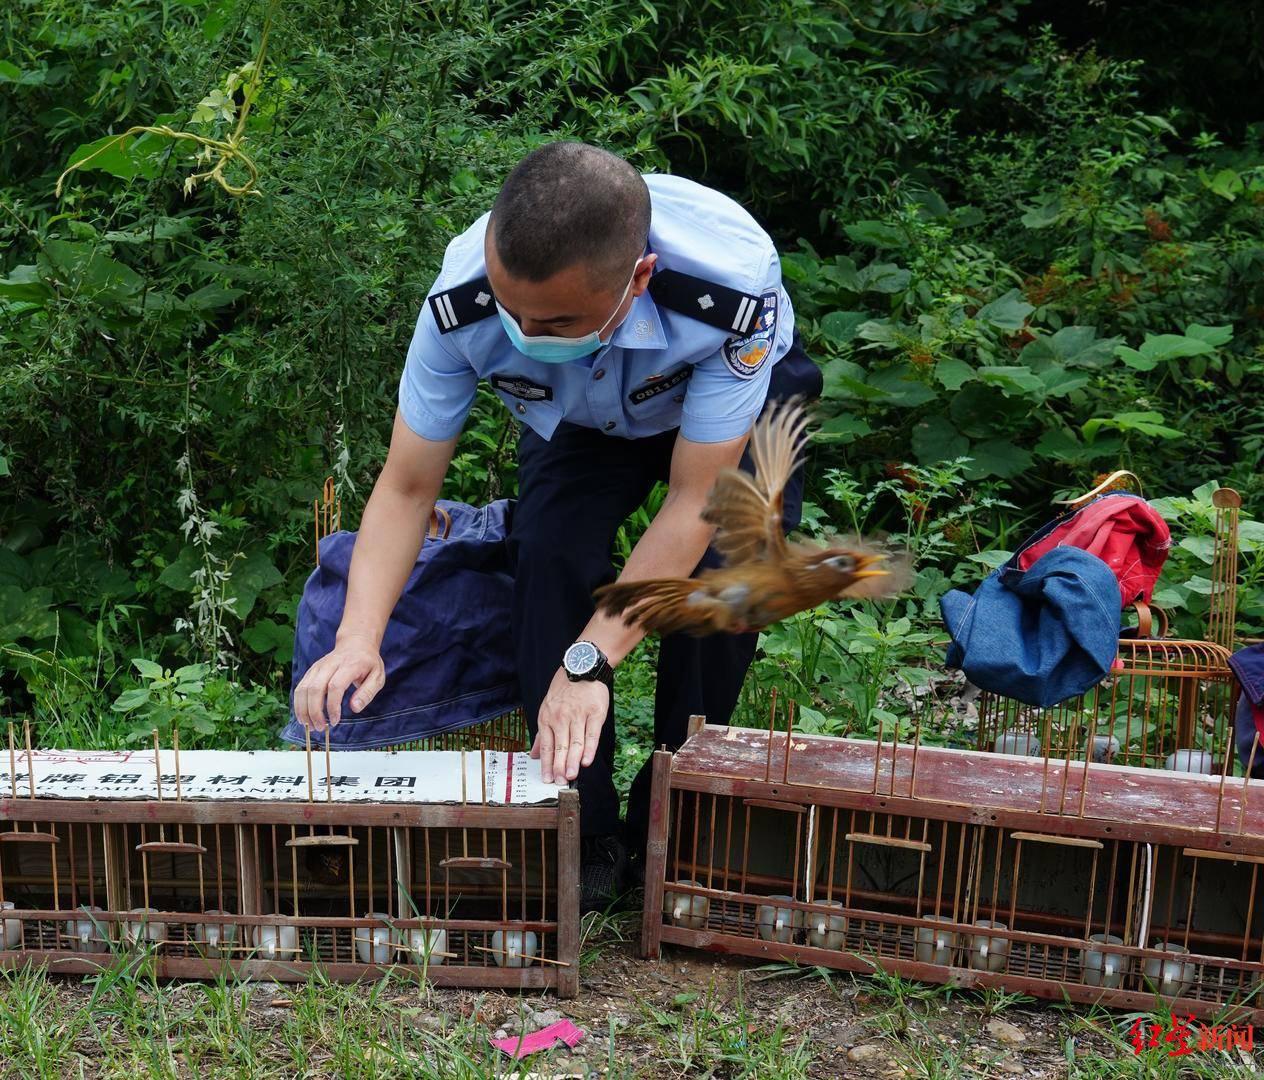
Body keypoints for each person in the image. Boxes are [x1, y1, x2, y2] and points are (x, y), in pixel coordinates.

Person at [291, 141, 822, 911]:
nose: (525, 328)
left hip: (721, 410)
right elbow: (407, 489)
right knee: (547, 551)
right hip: (577, 405)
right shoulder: (462, 302)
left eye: (555, 317)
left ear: (638, 279)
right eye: (513, 310)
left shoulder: (730, 294)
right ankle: (584, 824)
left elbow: (692, 502)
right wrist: (357, 637)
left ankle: (671, 822)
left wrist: (590, 663)